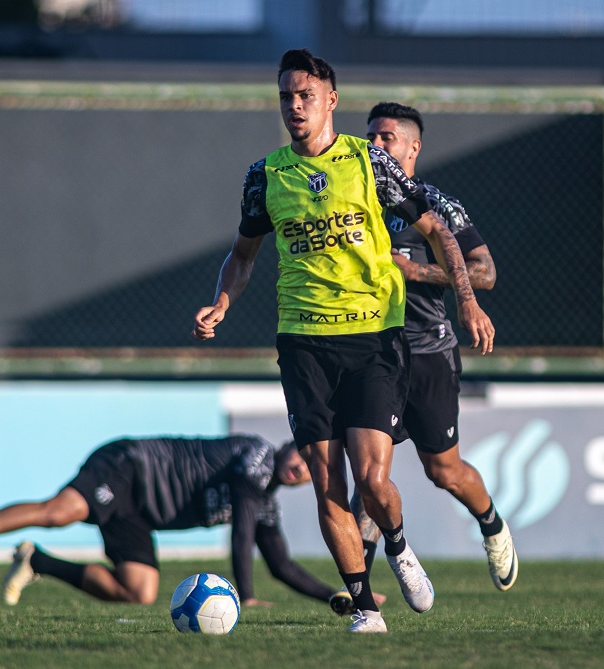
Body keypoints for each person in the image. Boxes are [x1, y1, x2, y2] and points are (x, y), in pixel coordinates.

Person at [192, 48, 495, 633]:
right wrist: (223, 300)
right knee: (326, 479)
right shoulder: (266, 175)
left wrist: (466, 299)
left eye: (305, 95)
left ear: (331, 100)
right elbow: (243, 253)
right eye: (286, 96)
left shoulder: (370, 164)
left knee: (373, 479)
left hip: (374, 339)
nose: (294, 106)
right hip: (303, 344)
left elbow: (439, 233)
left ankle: (399, 546)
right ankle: (363, 606)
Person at [353, 102, 517, 591]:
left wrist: (416, 271)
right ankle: (358, 583)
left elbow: (484, 272)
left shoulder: (437, 204)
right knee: (369, 472)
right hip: (373, 351)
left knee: (443, 471)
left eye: (385, 138)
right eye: (369, 138)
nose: (375, 146)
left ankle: (491, 523)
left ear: (412, 146)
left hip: (429, 352)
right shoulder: (355, 197)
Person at [0, 435, 365, 614]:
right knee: (58, 513)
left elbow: (281, 565)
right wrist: (244, 597)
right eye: (302, 457)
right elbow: (241, 535)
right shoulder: (256, 457)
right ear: (288, 446)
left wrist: (338, 595)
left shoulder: (266, 502)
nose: (303, 469)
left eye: (312, 469)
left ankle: (37, 561)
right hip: (131, 468)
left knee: (140, 592)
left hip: (140, 514)